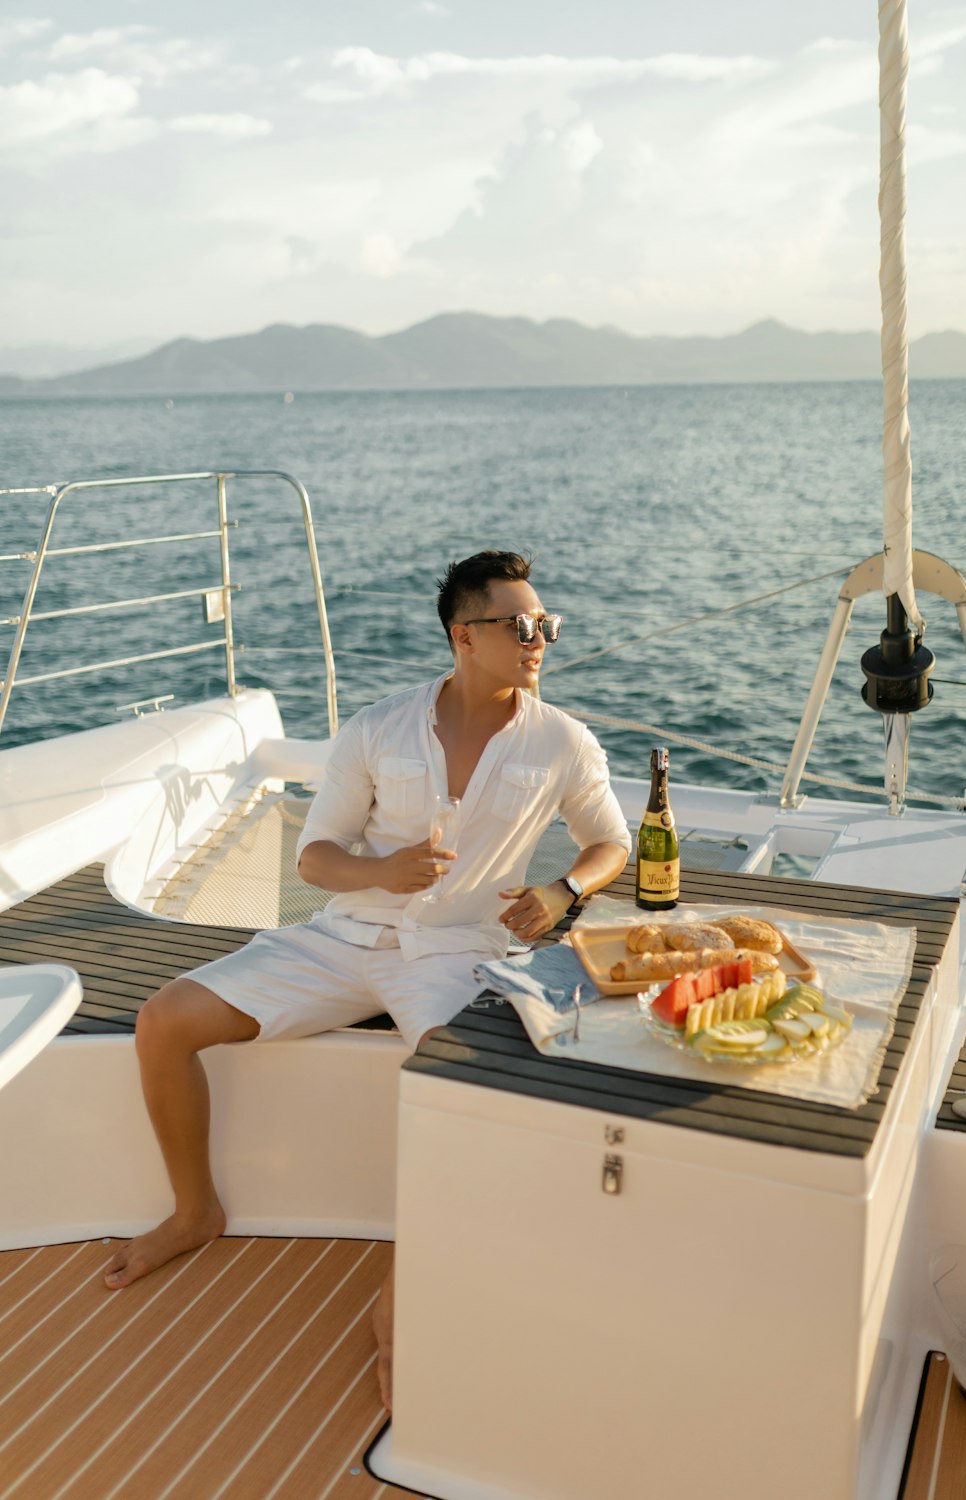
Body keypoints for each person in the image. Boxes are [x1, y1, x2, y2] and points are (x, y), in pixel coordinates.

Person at [103, 549, 631, 1409]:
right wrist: (381, 874)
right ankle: (194, 1210)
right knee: (164, 1020)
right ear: (465, 636)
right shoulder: (378, 728)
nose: (540, 638)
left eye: (547, 625)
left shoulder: (562, 740)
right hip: (344, 936)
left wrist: (564, 888)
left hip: (459, 952)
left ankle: (402, 1290)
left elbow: (609, 841)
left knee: (459, 1096)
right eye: (520, 625)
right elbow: (316, 856)